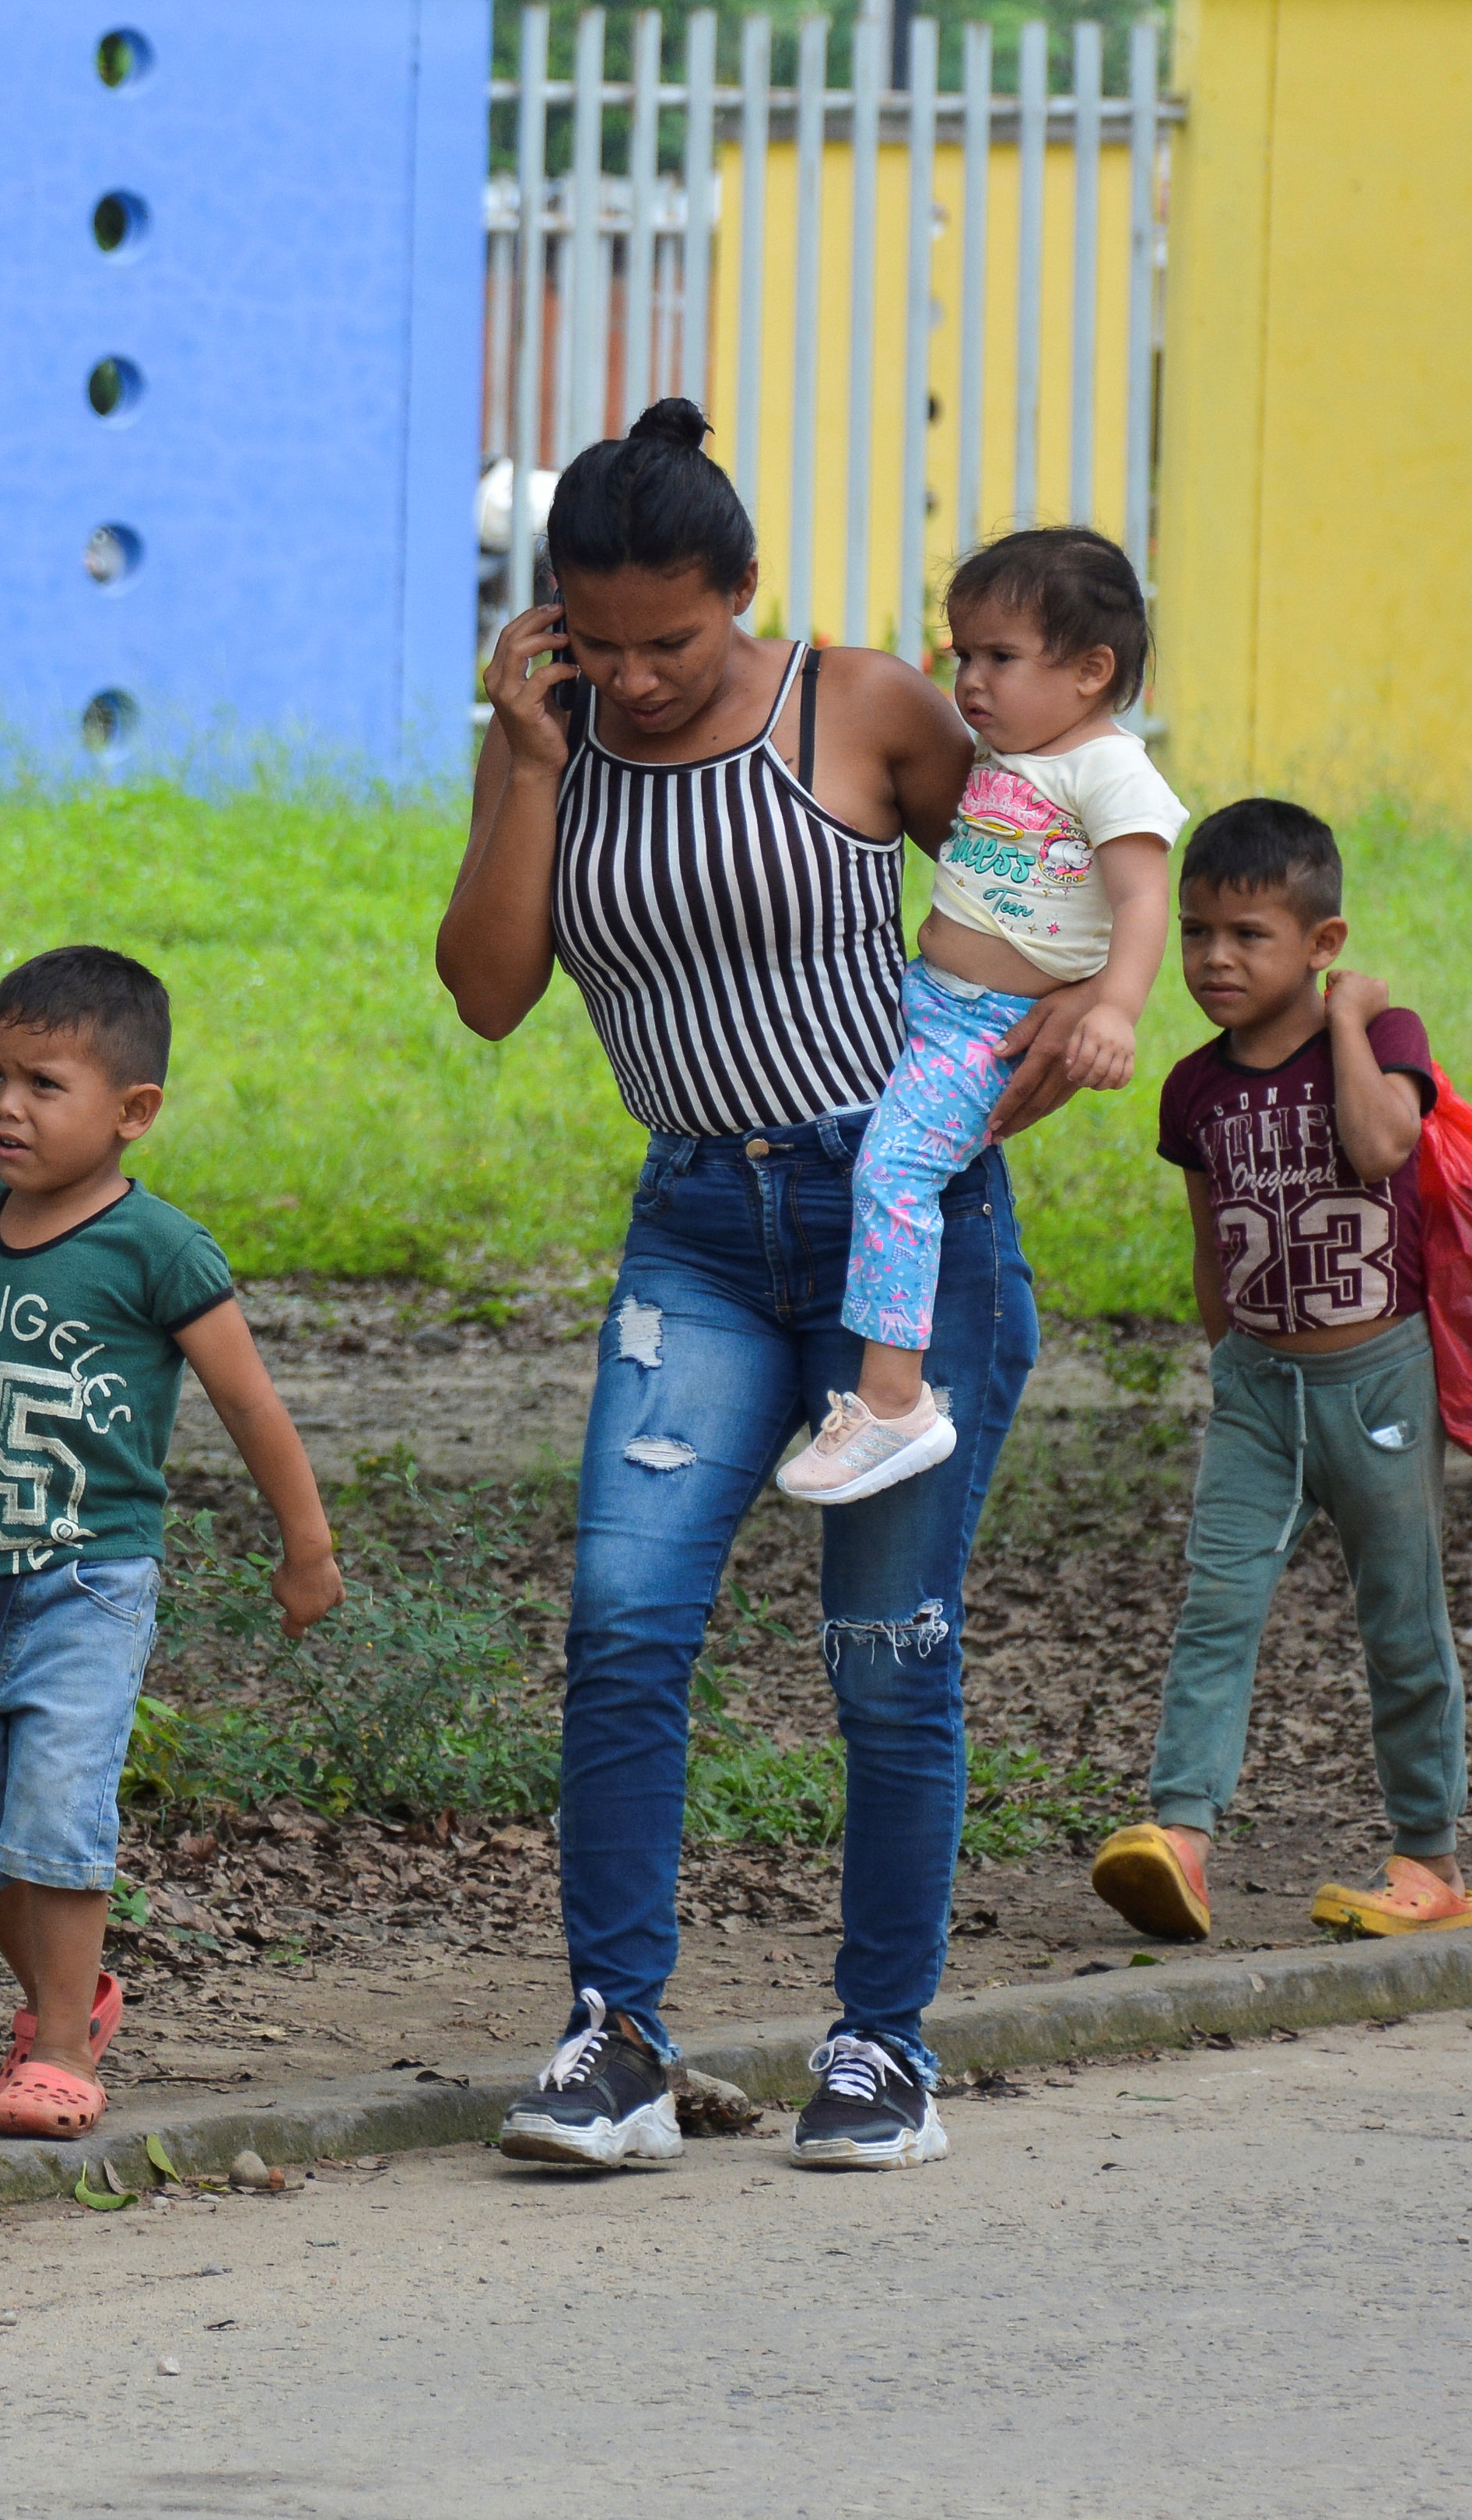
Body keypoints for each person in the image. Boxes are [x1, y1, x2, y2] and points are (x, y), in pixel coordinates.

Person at [434, 399, 1064, 2178]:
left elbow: (1036, 859)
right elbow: (488, 992)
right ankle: (615, 2037)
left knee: (885, 1648)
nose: (634, 677)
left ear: (746, 595)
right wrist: (536, 762)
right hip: (698, 1223)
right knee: (627, 1627)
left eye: (673, 641)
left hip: (898, 1222)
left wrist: (1031, 1033)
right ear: (552, 611)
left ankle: (880, 2047)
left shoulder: (853, 707)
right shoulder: (548, 742)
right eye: (600, 639)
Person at [0, 946, 342, 2139]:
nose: (4, 1106)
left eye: (44, 1083)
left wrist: (304, 1544)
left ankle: (54, 2053)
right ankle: (72, 1997)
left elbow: (250, 1401)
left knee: (55, 1803)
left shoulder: (159, 1249)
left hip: (88, 1576)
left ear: (133, 1112)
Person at [1085, 798, 1472, 1949]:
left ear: (1324, 943)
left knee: (1402, 1623)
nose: (1213, 959)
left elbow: (1381, 1146)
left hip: (1380, 1382)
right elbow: (1209, 1239)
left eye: (1249, 935)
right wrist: (1226, 1360)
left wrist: (1353, 1024)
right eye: (1199, 932)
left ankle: (1431, 1861)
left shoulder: (1386, 1037)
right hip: (1258, 1388)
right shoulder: (1193, 1090)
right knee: (1218, 1609)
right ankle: (1182, 1841)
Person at [777, 529, 1183, 1504]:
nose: (970, 679)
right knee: (855, 1138)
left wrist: (1115, 1009)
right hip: (925, 997)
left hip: (990, 1027)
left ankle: (892, 1401)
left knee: (896, 1170)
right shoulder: (1014, 756)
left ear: (1093, 671)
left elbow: (1141, 902)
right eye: (963, 653)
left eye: (1000, 657)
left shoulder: (1110, 771)